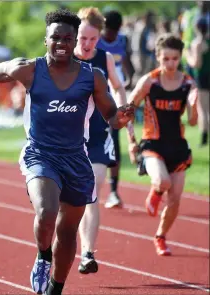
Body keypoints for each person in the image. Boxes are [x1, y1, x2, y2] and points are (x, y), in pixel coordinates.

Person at [0, 9, 134, 295]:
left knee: (68, 232)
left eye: (67, 38)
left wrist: (121, 117)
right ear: (46, 40)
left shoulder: (91, 76)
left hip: (76, 159)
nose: (61, 43)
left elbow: (110, 115)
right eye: (55, 37)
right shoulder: (29, 69)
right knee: (47, 213)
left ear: (74, 42)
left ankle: (55, 289)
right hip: (41, 154)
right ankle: (43, 256)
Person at [127, 33, 198, 256]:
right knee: (162, 181)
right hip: (152, 143)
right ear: (158, 57)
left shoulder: (188, 83)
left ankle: (160, 236)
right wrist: (132, 142)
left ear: (180, 58)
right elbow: (128, 110)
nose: (170, 64)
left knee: (176, 200)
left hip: (177, 146)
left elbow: (194, 121)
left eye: (174, 59)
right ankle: (156, 190)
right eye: (165, 58)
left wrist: (194, 106)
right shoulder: (149, 81)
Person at [73, 7, 127, 274]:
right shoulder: (62, 58)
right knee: (68, 201)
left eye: (93, 39)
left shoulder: (104, 58)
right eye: (83, 38)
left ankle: (87, 254)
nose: (87, 45)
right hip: (68, 139)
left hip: (98, 136)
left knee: (91, 194)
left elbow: (118, 85)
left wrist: (123, 111)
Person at [96, 10, 135, 209]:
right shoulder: (96, 42)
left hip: (115, 96)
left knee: (115, 139)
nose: (110, 35)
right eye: (108, 31)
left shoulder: (121, 40)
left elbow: (127, 61)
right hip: (97, 97)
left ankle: (113, 191)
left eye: (114, 31)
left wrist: (128, 79)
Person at [184, 17, 210, 146]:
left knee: (203, 109)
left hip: (202, 77)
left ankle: (204, 138)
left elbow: (197, 63)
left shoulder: (197, 43)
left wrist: (187, 55)